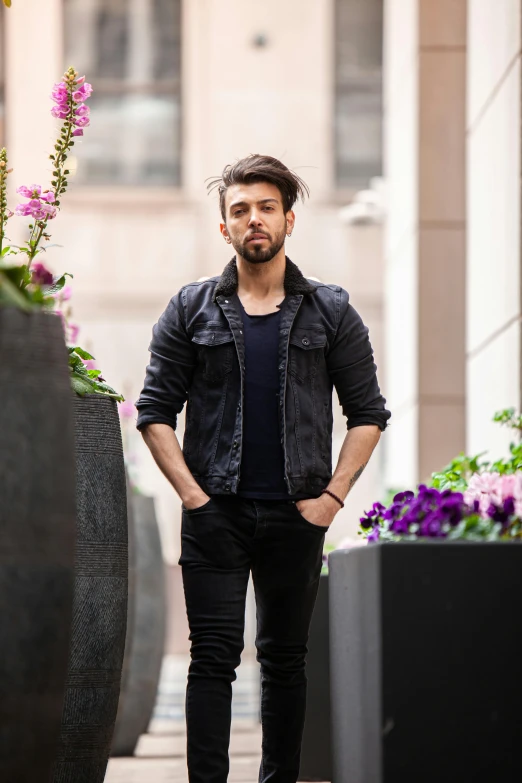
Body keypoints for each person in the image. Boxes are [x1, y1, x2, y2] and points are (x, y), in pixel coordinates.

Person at [136, 154, 391, 783]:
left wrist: (331, 498)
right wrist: (195, 498)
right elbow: (153, 412)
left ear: (289, 219)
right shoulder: (189, 309)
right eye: (240, 209)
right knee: (212, 660)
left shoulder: (332, 313)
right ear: (225, 227)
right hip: (213, 516)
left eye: (266, 207)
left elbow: (367, 413)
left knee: (284, 661)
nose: (254, 219)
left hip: (296, 514)